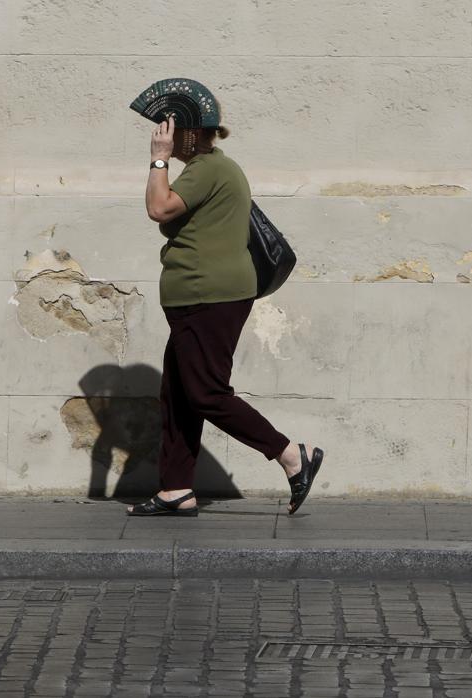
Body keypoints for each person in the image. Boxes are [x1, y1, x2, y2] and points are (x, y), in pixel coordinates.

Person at [126, 111, 325, 517]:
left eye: (171, 129)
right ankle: (176, 490)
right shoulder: (211, 170)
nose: (164, 134)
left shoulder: (208, 168)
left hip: (209, 295)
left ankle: (290, 454)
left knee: (206, 393)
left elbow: (159, 208)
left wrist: (158, 158)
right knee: (179, 395)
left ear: (191, 134)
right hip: (199, 296)